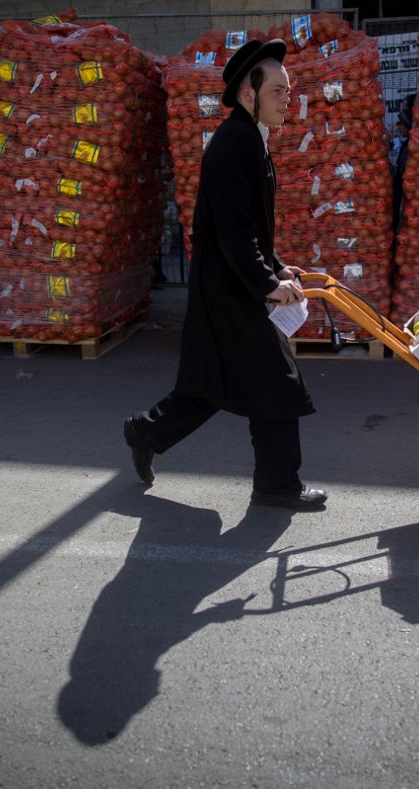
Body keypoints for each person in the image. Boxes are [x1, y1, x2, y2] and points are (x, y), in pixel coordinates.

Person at [123, 39, 327, 511]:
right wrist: (266, 283)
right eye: (278, 90)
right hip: (230, 291)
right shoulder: (236, 143)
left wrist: (276, 267)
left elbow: (249, 227)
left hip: (229, 286)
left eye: (288, 90)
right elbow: (234, 231)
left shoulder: (248, 138)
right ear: (248, 93)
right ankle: (277, 486)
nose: (286, 98)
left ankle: (146, 430)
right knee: (277, 385)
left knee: (213, 383)